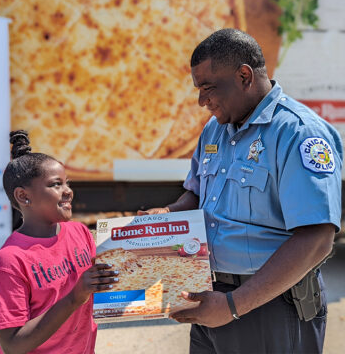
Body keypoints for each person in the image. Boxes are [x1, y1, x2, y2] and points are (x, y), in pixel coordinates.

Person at [138, 29, 343, 353]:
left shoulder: (298, 133)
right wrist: (168, 215)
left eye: (208, 88)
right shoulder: (216, 129)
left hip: (269, 306)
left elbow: (316, 239)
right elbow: (196, 194)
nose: (201, 101)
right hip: (211, 300)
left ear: (244, 76)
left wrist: (234, 305)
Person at [0, 130, 118, 354]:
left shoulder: (79, 232)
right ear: (23, 196)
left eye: (67, 183)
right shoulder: (9, 262)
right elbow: (12, 344)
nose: (68, 191)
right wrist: (75, 297)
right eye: (56, 184)